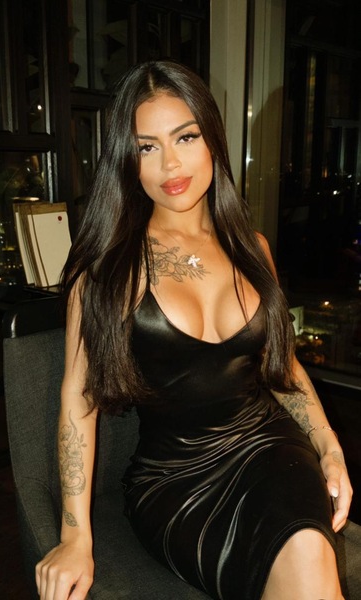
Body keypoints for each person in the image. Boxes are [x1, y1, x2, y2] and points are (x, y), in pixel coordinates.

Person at [36, 60, 352, 600]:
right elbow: (78, 398)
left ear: (212, 139)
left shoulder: (253, 249)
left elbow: (282, 367)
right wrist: (75, 536)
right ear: (127, 160)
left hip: (270, 449)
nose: (171, 163)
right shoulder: (110, 269)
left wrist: (329, 446)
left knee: (307, 554)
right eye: (147, 146)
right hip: (175, 482)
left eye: (185, 136)